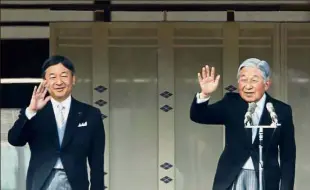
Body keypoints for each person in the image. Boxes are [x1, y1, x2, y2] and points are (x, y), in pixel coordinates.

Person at [190, 58, 296, 190]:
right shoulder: (231, 103)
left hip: (265, 179)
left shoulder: (281, 110)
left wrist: (286, 187)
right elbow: (199, 116)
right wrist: (205, 94)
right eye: (243, 79)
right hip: (232, 176)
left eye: (254, 80)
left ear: (267, 84)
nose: (248, 86)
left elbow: (288, 156)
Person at [8, 55, 105, 190]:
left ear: (73, 79)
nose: (59, 82)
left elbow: (97, 162)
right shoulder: (34, 112)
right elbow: (15, 140)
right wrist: (30, 111)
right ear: (45, 82)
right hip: (41, 182)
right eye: (53, 77)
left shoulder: (91, 114)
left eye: (64, 76)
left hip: (75, 183)